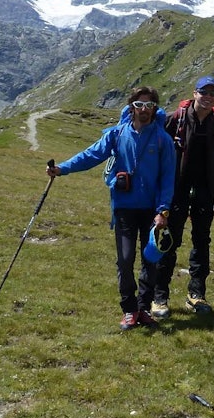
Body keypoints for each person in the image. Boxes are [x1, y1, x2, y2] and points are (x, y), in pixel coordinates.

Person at [47, 86, 175, 330]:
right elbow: (91, 155)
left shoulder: (163, 140)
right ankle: (129, 309)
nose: (144, 110)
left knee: (150, 261)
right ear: (131, 108)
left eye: (149, 105)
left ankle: (143, 308)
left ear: (155, 108)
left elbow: (168, 178)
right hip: (125, 208)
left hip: (152, 212)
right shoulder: (117, 134)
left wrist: (163, 210)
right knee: (125, 260)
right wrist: (62, 168)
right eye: (139, 105)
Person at [142, 75, 214, 317]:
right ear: (195, 93)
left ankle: (196, 295)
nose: (208, 97)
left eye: (212, 93)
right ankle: (159, 297)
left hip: (205, 191)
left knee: (202, 243)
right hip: (175, 190)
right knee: (169, 241)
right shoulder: (175, 119)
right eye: (204, 92)